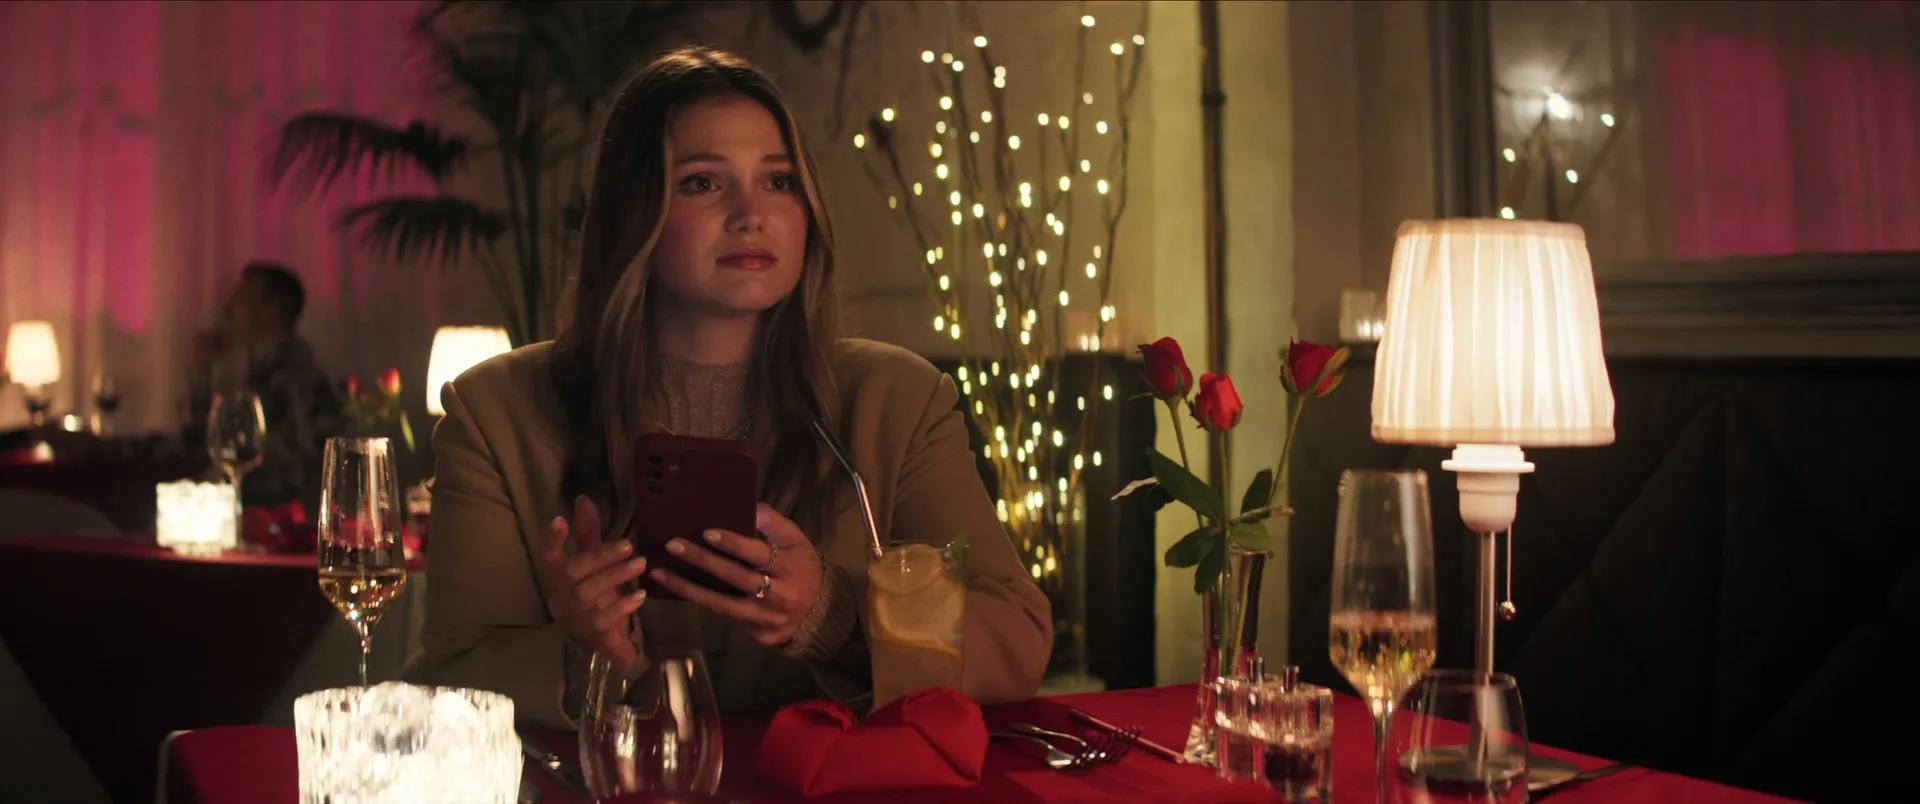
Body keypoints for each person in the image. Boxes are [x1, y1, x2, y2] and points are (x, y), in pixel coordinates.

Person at [409, 46, 1052, 728]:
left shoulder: (898, 399)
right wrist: (583, 657)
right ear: (634, 213)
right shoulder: (496, 412)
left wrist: (836, 614)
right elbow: (449, 678)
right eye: (702, 183)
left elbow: (1017, 638)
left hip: (837, 778)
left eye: (778, 181)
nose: (751, 213)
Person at [184, 261, 342, 508]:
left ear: (271, 310)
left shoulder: (293, 381)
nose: (227, 309)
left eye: (240, 298)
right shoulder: (261, 377)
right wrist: (202, 373)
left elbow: (280, 479)